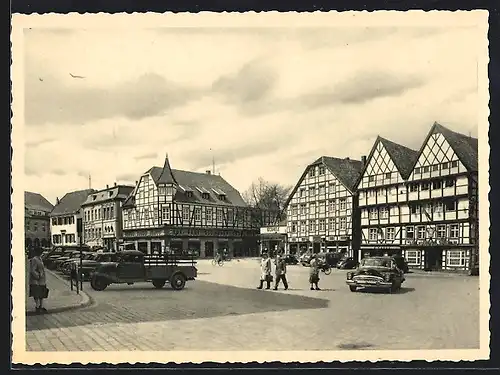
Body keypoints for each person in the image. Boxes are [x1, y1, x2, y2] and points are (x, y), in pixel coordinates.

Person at [29, 247, 48, 313]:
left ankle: (41, 306)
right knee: (36, 294)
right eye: (41, 252)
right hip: (36, 280)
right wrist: (38, 276)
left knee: (42, 293)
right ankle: (37, 306)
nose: (42, 253)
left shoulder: (40, 259)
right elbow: (32, 270)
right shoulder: (34, 259)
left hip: (42, 280)